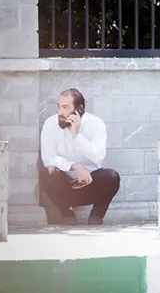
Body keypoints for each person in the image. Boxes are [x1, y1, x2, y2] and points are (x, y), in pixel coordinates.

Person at [39, 88, 121, 225]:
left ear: (79, 109)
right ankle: (66, 214)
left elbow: (98, 156)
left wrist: (77, 136)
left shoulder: (96, 124)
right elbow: (48, 158)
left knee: (112, 177)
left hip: (91, 184)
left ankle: (97, 215)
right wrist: (74, 166)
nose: (60, 112)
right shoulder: (50, 124)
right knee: (49, 173)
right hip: (64, 187)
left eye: (65, 107)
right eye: (59, 107)